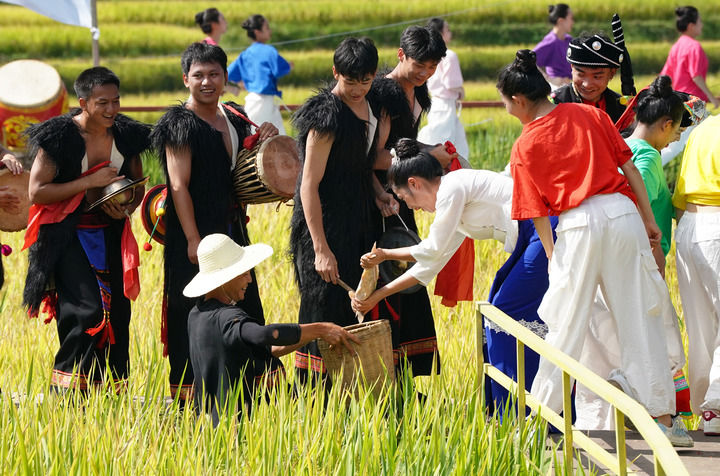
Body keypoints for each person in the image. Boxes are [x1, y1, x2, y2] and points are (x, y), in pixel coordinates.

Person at [498, 49, 692, 446]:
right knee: (641, 316)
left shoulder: (525, 145)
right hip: (622, 215)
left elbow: (536, 213)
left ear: (518, 100)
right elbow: (630, 168)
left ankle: (539, 421)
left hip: (578, 224)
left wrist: (554, 259)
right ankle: (664, 419)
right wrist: (650, 222)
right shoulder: (591, 115)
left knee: (564, 325)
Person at [352, 140, 557, 411]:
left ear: (414, 184)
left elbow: (431, 248)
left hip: (542, 229)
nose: (411, 208)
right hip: (529, 239)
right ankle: (506, 406)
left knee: (504, 315)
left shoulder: (452, 188)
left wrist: (386, 254)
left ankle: (520, 409)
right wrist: (377, 295)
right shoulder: (454, 203)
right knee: (495, 315)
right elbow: (429, 265)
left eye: (405, 199)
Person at [151, 42, 278, 403]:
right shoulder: (179, 123)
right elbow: (178, 184)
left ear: (225, 77)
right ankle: (194, 397)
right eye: (198, 75)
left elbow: (244, 170)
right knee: (193, 309)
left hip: (232, 227)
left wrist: (264, 137)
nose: (207, 82)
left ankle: (246, 390)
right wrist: (193, 239)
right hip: (194, 231)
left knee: (243, 299)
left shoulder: (236, 117)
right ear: (185, 79)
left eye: (214, 74)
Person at [574, 76, 693, 431]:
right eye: (675, 132)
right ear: (665, 124)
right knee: (658, 336)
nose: (674, 140)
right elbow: (632, 204)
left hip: (623, 254)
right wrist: (652, 249)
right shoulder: (644, 159)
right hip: (638, 257)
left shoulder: (627, 147)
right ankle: (657, 412)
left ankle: (647, 409)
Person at [23, 66, 150, 393]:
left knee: (118, 315)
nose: (111, 110)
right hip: (67, 235)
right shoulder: (59, 137)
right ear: (83, 102)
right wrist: (89, 183)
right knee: (86, 312)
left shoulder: (126, 135)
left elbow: (136, 186)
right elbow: (36, 192)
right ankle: (67, 398)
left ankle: (110, 396)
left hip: (110, 232)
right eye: (102, 103)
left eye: (116, 102)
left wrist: (124, 206)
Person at [290, 37, 391, 382]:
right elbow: (309, 184)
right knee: (323, 305)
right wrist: (320, 249)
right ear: (336, 73)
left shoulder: (371, 105)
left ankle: (352, 395)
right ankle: (314, 396)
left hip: (358, 220)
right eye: (350, 81)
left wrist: (378, 193)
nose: (358, 89)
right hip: (326, 223)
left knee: (353, 305)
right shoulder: (327, 115)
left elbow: (361, 166)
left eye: (365, 81)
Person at [184, 234, 358, 425]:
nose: (249, 279)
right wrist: (320, 328)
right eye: (243, 273)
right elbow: (265, 335)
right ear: (226, 277)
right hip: (234, 427)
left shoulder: (197, 314)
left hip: (207, 427)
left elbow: (268, 349)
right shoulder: (227, 318)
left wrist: (314, 336)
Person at [369, 25, 447, 377]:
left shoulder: (419, 95)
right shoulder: (385, 92)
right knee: (387, 273)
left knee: (407, 271)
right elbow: (373, 156)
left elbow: (402, 148)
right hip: (380, 200)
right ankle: (381, 367)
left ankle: (402, 372)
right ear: (401, 55)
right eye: (420, 64)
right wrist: (429, 155)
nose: (425, 72)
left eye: (432, 67)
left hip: (401, 197)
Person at [673, 112, 720, 436]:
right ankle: (715, 405)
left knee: (700, 325)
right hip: (716, 225)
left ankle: (708, 409)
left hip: (689, 226)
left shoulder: (705, 127)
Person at [227, 14, 292, 134]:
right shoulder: (269, 51)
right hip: (264, 101)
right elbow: (279, 69)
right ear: (257, 32)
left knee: (278, 136)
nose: (270, 30)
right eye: (267, 27)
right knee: (258, 137)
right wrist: (289, 66)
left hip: (256, 99)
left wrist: (242, 83)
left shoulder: (245, 53)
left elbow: (229, 73)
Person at [417, 18, 469, 158]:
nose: (450, 33)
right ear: (440, 33)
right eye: (447, 30)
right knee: (440, 143)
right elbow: (451, 83)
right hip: (445, 104)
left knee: (458, 144)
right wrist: (461, 91)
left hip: (436, 102)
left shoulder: (428, 55)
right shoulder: (449, 55)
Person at [551, 33, 626, 123]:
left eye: (596, 76)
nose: (587, 85)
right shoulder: (554, 104)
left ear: (612, 73)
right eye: (580, 74)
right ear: (572, 68)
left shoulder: (621, 107)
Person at [661, 6, 719, 109]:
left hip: (679, 103)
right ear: (691, 26)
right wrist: (712, 98)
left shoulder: (676, 46)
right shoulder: (694, 46)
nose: (702, 25)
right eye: (700, 21)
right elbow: (696, 76)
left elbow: (665, 76)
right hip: (693, 105)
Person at [533, 4, 574, 90]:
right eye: (571, 18)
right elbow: (528, 60)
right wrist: (549, 79)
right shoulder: (551, 42)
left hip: (571, 87)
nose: (573, 22)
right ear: (561, 21)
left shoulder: (569, 40)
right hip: (558, 91)